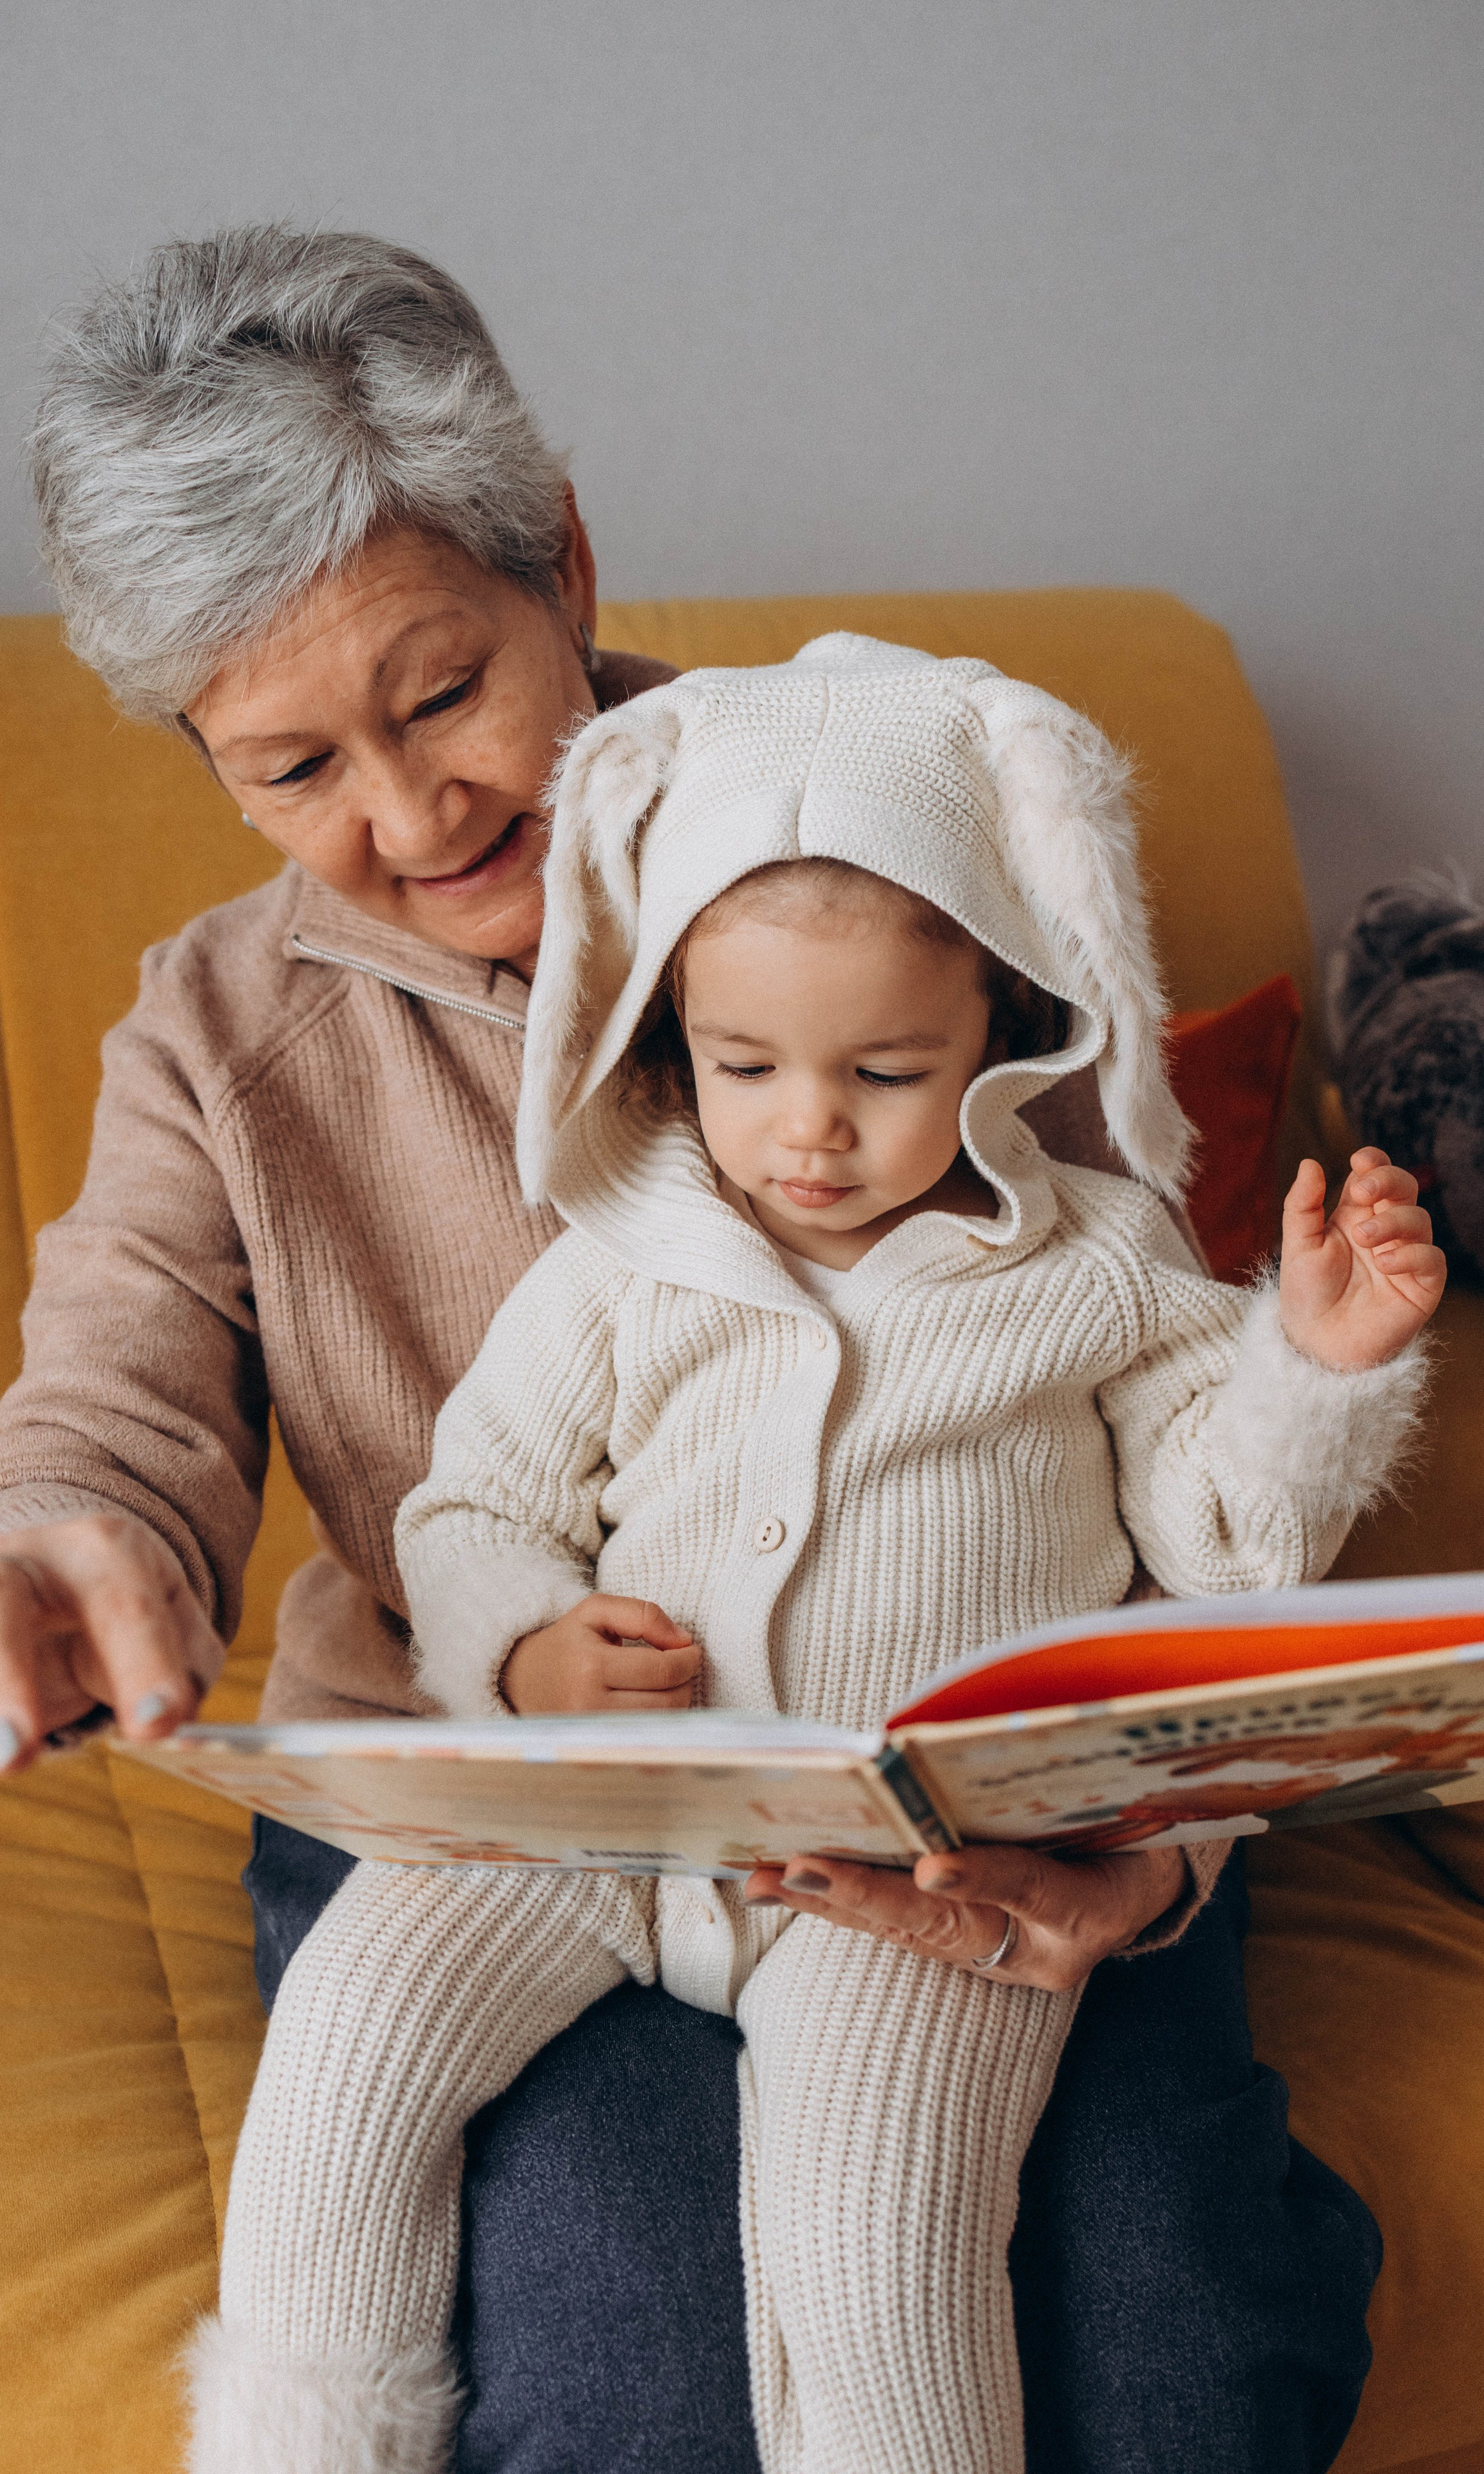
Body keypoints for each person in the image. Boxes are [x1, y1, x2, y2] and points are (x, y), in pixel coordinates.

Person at [0, 228, 1387, 2473]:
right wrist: (51, 1544)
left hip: (957, 1796)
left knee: (1169, 2362)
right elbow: (114, 1381)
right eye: (286, 767)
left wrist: (1147, 1861)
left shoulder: (883, 867)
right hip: (524, 1793)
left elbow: (1161, 1438)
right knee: (624, 2383)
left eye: (445, 692)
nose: (406, 815)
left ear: (559, 560)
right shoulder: (222, 1026)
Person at [199, 638, 1440, 2474]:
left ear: (1006, 1040)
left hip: (916, 1877)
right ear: (665, 1031)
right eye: (743, 1062)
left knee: (872, 2253)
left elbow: (1223, 1540)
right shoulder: (624, 1253)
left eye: (884, 1070)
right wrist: (529, 1652)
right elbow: (476, 1511)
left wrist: (1317, 1368)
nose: (808, 1128)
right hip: (613, 1809)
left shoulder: (1090, 1267)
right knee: (351, 2043)